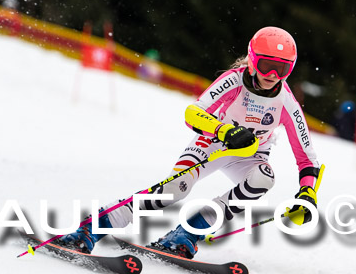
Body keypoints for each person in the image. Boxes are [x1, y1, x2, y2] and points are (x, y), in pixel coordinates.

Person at [56, 26, 322, 259]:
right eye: (266, 66)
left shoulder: (286, 101)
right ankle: (92, 228)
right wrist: (224, 131)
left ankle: (188, 233)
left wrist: (307, 193)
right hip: (212, 145)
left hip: (249, 157)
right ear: (252, 61)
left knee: (265, 177)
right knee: (173, 191)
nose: (273, 75)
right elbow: (193, 113)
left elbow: (307, 157)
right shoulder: (234, 81)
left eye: (283, 68)